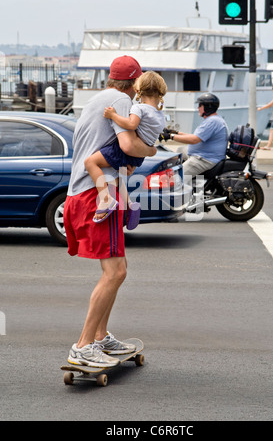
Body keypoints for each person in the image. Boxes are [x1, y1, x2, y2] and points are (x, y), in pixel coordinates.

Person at [63, 55, 157, 368]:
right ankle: (83, 345)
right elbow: (129, 147)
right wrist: (153, 150)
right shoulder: (122, 101)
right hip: (97, 195)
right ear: (136, 83)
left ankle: (100, 337)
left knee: (117, 270)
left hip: (82, 193)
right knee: (115, 272)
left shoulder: (96, 101)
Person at [84, 71, 167, 225]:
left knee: (90, 162)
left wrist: (113, 115)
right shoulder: (161, 115)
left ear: (137, 90)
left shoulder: (139, 109)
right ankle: (130, 205)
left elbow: (131, 124)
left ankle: (105, 199)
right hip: (138, 156)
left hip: (125, 151)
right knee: (120, 178)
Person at [159, 93, 229, 177]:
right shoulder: (214, 119)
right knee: (180, 150)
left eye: (200, 105)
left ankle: (182, 183)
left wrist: (170, 137)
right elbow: (195, 136)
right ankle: (190, 181)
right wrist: (174, 132)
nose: (198, 108)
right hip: (203, 154)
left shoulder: (212, 122)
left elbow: (194, 140)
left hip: (204, 159)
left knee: (174, 177)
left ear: (207, 107)